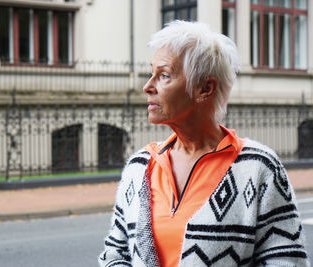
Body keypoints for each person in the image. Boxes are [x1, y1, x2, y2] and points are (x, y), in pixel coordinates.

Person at [99, 20, 309, 267]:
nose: (147, 87)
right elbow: (114, 254)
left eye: (164, 75)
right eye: (151, 73)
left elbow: (287, 261)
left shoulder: (259, 168)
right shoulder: (139, 168)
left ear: (205, 88)